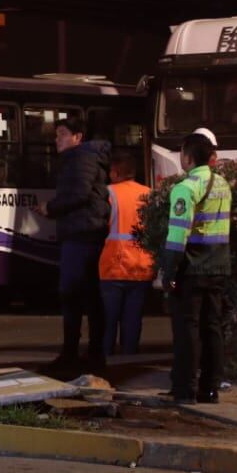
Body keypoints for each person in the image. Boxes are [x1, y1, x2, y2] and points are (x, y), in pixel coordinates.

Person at [36, 113, 110, 375]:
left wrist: (51, 208)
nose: (57, 140)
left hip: (81, 235)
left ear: (77, 137)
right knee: (87, 298)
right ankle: (90, 355)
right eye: (56, 135)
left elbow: (78, 194)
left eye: (62, 135)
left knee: (74, 296)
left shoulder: (80, 158)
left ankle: (76, 355)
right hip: (83, 233)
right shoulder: (82, 158)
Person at [161, 131, 231, 403]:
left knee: (186, 329)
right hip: (219, 266)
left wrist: (169, 270)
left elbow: (178, 234)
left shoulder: (185, 188)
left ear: (188, 157)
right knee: (212, 327)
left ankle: (184, 388)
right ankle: (210, 388)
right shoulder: (223, 184)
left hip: (191, 267)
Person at [99, 148, 155, 358]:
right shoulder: (149, 194)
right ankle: (130, 359)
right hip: (141, 267)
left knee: (108, 319)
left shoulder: (109, 193)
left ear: (114, 172)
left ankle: (105, 359)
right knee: (133, 319)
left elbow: (100, 226)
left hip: (114, 266)